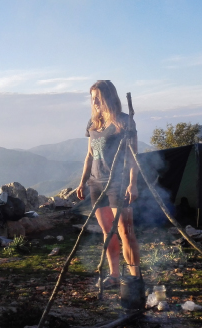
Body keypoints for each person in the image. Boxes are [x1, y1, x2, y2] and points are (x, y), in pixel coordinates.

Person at [75, 80, 141, 289]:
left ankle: (134, 278)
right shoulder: (93, 123)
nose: (95, 102)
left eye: (99, 98)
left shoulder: (124, 122)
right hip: (96, 183)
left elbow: (133, 156)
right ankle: (113, 275)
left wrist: (133, 183)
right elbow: (89, 155)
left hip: (118, 183)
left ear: (109, 98)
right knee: (107, 231)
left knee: (125, 231)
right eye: (93, 98)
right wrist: (83, 181)